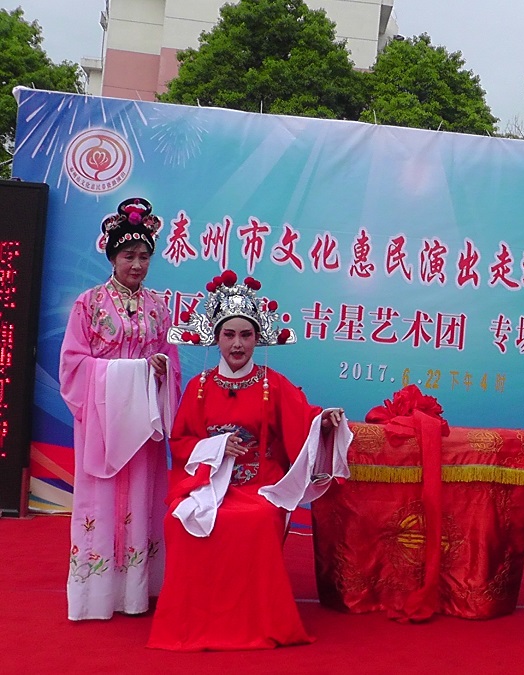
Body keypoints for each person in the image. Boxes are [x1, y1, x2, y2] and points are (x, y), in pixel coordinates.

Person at [147, 270, 351, 651]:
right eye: (229, 334)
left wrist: (323, 422)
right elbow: (180, 443)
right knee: (178, 521)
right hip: (209, 485)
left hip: (259, 485)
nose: (237, 344)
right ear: (217, 338)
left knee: (256, 520)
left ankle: (255, 621)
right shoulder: (199, 387)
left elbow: (304, 420)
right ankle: (193, 621)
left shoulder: (274, 384)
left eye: (246, 335)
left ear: (258, 338)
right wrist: (217, 447)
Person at [60, 197, 181, 621]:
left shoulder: (158, 306)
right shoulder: (89, 303)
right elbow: (73, 364)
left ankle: (136, 592)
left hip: (144, 420)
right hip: (103, 417)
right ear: (112, 257)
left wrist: (160, 369)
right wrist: (130, 371)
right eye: (129, 255)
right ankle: (96, 595)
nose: (137, 264)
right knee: (102, 498)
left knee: (143, 497)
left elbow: (170, 360)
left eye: (144, 256)